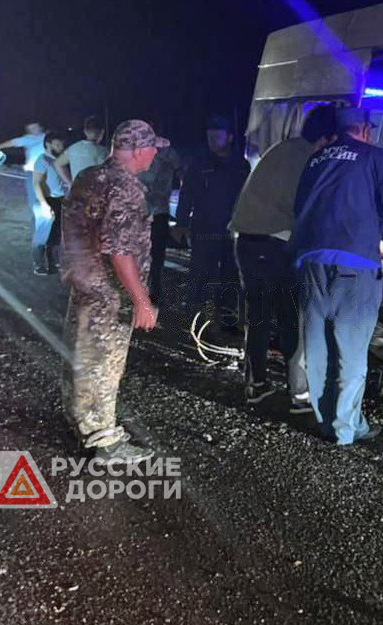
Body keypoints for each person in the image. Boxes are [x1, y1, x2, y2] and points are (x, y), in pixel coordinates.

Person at [291, 107, 383, 446]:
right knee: (352, 350)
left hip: (311, 261)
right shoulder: (373, 157)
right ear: (365, 131)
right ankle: (345, 430)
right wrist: (371, 231)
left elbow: (299, 207)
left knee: (319, 344)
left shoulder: (314, 160)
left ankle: (327, 421)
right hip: (355, 265)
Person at [60, 120, 167, 466]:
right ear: (138, 150)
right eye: (152, 148)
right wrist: (141, 300)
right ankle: (102, 442)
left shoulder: (88, 177)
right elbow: (119, 250)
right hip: (108, 293)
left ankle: (80, 423)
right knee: (104, 362)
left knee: (81, 354)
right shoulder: (125, 187)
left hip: (83, 283)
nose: (155, 154)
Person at [229, 105, 337, 409]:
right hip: (275, 245)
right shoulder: (309, 160)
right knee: (292, 318)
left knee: (258, 316)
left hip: (245, 243)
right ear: (326, 138)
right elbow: (307, 212)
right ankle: (299, 393)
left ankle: (257, 384)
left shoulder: (281, 149)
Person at [176, 115, 250, 334]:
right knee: (199, 275)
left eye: (217, 136)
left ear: (229, 138)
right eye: (209, 136)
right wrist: (181, 223)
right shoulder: (199, 164)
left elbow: (247, 197)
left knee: (230, 277)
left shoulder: (240, 165)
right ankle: (194, 319)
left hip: (231, 230)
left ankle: (227, 319)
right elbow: (186, 195)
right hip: (203, 229)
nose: (212, 140)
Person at [0, 122, 50, 271]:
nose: (33, 129)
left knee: (48, 201)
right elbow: (12, 142)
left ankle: (48, 232)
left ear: (40, 127)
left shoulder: (46, 137)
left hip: (47, 173)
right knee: (34, 203)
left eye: (35, 127)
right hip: (32, 173)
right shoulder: (27, 139)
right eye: (30, 128)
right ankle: (37, 232)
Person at [137, 126, 182, 305]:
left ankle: (154, 290)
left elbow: (180, 168)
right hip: (140, 213)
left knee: (157, 255)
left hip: (159, 212)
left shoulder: (168, 152)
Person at [31, 132, 69, 275]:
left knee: (56, 235)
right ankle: (39, 265)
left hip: (59, 200)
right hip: (46, 200)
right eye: (57, 144)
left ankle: (54, 263)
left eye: (62, 145)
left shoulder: (59, 160)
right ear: (48, 144)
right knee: (42, 236)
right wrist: (44, 204)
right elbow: (36, 184)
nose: (61, 147)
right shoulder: (42, 160)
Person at [54, 116, 108, 187]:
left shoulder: (73, 148)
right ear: (102, 132)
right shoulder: (102, 151)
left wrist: (70, 183)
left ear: (85, 131)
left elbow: (57, 163)